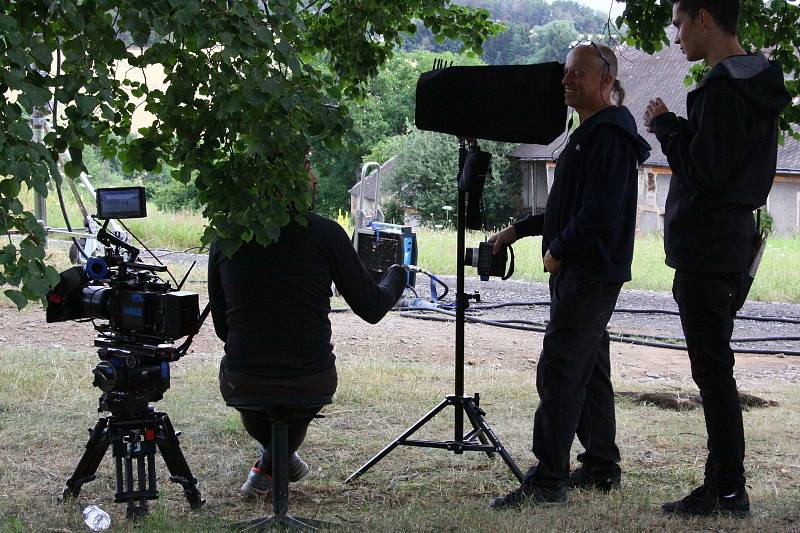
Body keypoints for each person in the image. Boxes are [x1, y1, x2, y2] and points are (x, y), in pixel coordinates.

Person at [643, 0, 790, 517]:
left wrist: (666, 127)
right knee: (715, 369)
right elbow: (721, 164)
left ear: (705, 18)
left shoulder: (725, 89)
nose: (677, 34)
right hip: (727, 243)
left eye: (681, 23)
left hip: (709, 249)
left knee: (714, 372)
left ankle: (728, 491)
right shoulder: (753, 86)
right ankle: (720, 485)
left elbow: (705, 173)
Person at [489, 43, 650, 509]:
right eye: (565, 73)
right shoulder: (588, 133)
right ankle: (601, 464)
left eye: (576, 74)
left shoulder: (611, 137)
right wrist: (519, 230)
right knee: (591, 368)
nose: (566, 81)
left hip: (590, 271)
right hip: (580, 269)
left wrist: (559, 250)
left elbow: (599, 211)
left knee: (559, 368)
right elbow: (566, 207)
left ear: (604, 81)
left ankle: (548, 480)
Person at [208, 153, 406, 499]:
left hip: (242, 379)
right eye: (309, 169)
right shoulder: (325, 233)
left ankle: (272, 461)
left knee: (256, 396)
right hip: (310, 378)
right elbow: (372, 308)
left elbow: (223, 327)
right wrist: (398, 277)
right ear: (292, 181)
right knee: (294, 398)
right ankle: (273, 464)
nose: (314, 179)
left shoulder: (226, 235)